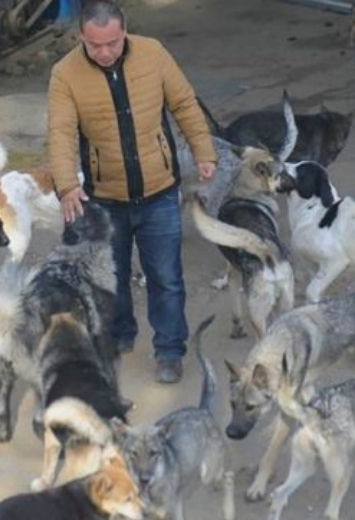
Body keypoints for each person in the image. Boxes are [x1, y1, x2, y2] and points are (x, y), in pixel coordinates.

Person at [46, 0, 217, 383]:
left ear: (124, 32)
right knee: (113, 276)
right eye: (95, 45)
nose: (105, 52)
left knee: (167, 277)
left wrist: (204, 151)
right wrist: (68, 186)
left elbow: (185, 103)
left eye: (112, 43)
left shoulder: (153, 53)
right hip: (106, 198)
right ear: (80, 38)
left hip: (159, 192)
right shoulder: (65, 74)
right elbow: (59, 134)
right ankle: (121, 333)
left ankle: (170, 350)